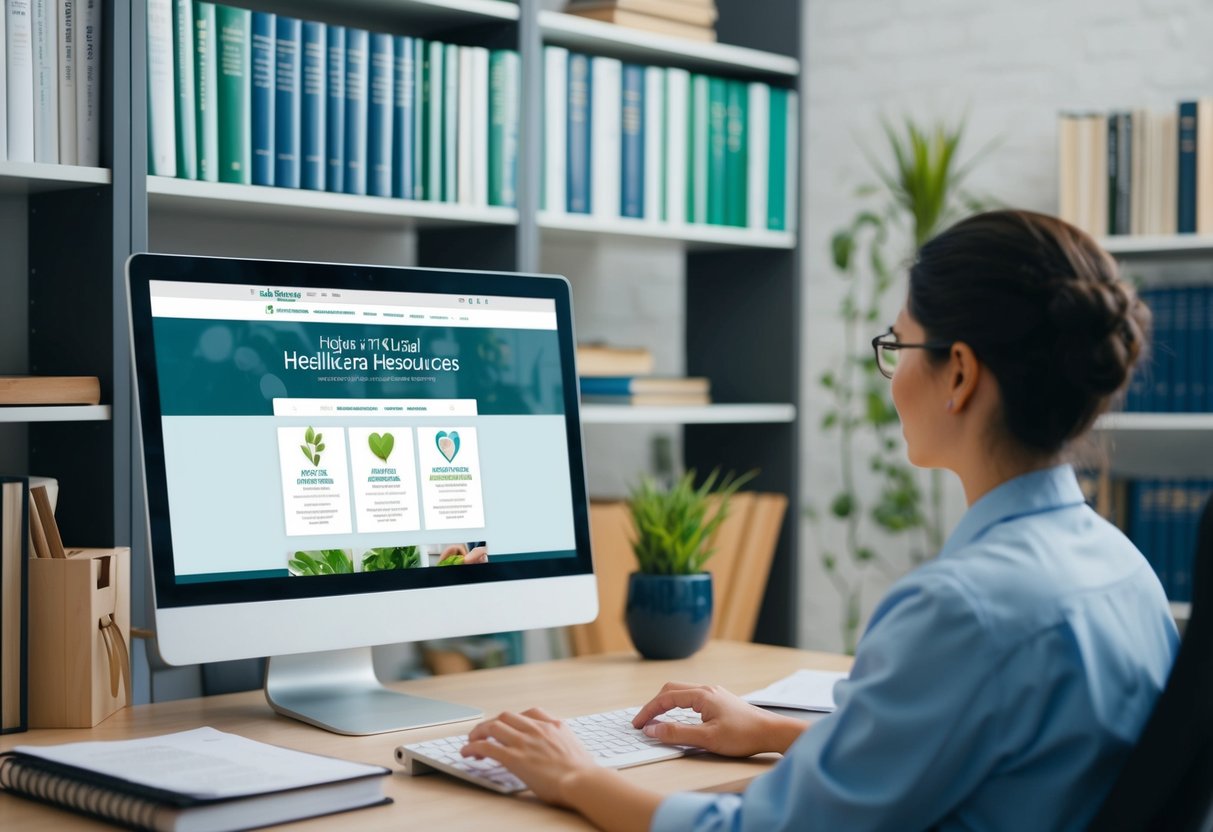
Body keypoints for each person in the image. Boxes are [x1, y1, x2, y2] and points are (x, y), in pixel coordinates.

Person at [460, 210, 1180, 831]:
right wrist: (772, 731)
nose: (891, 375)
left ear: (958, 373)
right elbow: (977, 756)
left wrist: (573, 776)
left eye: (897, 347)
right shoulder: (1122, 568)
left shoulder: (961, 608)